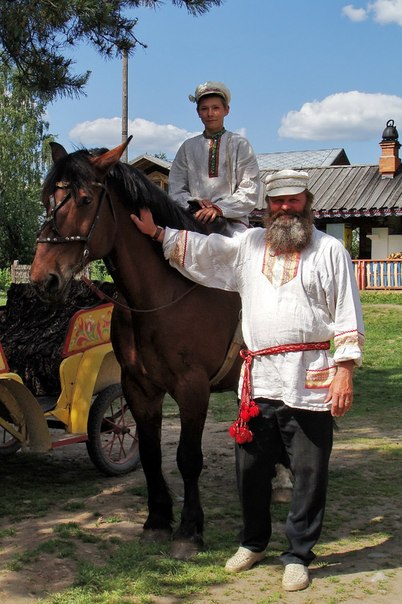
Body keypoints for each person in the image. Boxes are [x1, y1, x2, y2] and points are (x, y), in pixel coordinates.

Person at [130, 169, 364, 592]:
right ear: (267, 207)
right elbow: (206, 250)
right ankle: (253, 542)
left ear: (307, 203)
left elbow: (348, 311)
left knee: (308, 472)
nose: (286, 208)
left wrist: (344, 370)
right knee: (251, 470)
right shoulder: (250, 244)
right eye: (278, 202)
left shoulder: (330, 251)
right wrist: (158, 233)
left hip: (309, 376)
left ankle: (297, 554)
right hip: (258, 380)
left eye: (293, 200)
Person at [168, 81, 261, 236]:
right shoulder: (188, 147)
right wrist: (193, 202)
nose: (210, 114)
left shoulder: (240, 144)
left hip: (233, 224)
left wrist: (219, 209)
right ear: (198, 112)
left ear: (226, 110)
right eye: (204, 109)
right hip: (194, 221)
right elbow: (176, 188)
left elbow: (249, 189)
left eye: (215, 108)